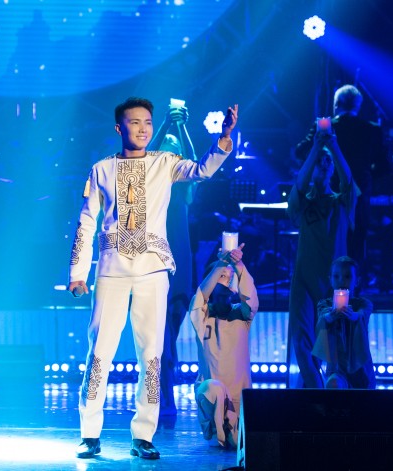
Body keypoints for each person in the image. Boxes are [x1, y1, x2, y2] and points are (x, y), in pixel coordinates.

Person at [68, 97, 238, 460]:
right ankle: (89, 433)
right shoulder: (101, 169)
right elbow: (86, 221)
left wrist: (223, 139)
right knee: (99, 353)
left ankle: (144, 434)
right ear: (119, 128)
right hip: (111, 270)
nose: (143, 129)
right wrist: (78, 273)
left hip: (153, 271)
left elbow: (202, 170)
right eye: (135, 123)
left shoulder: (165, 163)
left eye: (147, 122)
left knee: (152, 355)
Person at [287, 126, 357, 389]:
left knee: (332, 344)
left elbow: (348, 180)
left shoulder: (341, 202)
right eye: (319, 162)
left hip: (333, 283)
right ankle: (316, 392)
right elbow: (299, 184)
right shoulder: (303, 202)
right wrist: (316, 148)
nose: (324, 165)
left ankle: (329, 391)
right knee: (301, 341)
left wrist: (333, 147)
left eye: (328, 162)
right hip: (305, 280)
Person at [295, 85, 389, 272]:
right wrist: (366, 177)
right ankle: (353, 284)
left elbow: (301, 152)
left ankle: (328, 283)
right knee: (355, 244)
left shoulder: (326, 126)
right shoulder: (372, 129)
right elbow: (385, 167)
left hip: (328, 194)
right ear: (358, 106)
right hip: (359, 195)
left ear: (336, 104)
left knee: (329, 243)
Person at [149, 102, 198, 417]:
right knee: (161, 331)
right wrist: (167, 125)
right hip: (157, 259)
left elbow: (193, 159)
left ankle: (165, 384)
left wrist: (180, 127)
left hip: (181, 258)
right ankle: (165, 393)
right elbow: (145, 157)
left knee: (174, 326)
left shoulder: (184, 185)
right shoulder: (152, 183)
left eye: (174, 153)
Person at [190, 243, 258, 449]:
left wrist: (239, 265)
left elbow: (251, 302)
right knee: (214, 387)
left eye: (230, 277)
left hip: (239, 403)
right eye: (221, 277)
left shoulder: (242, 315)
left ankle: (232, 429)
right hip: (212, 398)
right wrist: (221, 264)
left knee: (239, 444)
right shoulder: (202, 316)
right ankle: (217, 428)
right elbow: (200, 297)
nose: (226, 280)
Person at [312, 256, 376, 389]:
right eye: (336, 276)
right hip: (336, 367)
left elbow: (362, 314)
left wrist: (354, 316)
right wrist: (330, 316)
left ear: (356, 281)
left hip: (360, 367)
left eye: (347, 276)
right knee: (334, 384)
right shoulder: (325, 304)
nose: (341, 280)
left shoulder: (363, 304)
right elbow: (323, 318)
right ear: (330, 280)